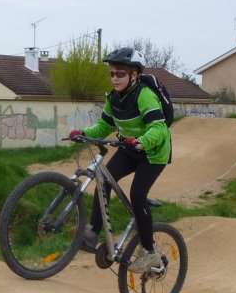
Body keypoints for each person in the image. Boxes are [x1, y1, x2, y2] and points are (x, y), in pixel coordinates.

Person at [68, 47, 172, 273]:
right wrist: (83, 133)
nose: (115, 78)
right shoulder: (113, 98)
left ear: (134, 75)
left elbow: (159, 128)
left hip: (153, 153)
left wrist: (142, 141)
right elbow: (104, 125)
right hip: (128, 148)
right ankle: (94, 231)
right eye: (112, 74)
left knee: (137, 195)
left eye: (120, 74)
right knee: (103, 180)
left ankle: (149, 252)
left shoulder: (145, 95)